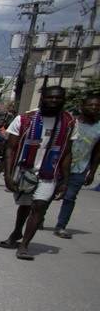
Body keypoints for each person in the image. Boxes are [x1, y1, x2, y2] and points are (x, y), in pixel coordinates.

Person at [0, 86, 75, 261]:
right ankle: (17, 233)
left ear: (64, 100)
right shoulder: (25, 120)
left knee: (39, 207)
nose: (54, 101)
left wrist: (65, 181)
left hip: (49, 173)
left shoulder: (69, 123)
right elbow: (10, 150)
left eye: (58, 98)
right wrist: (8, 175)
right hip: (25, 170)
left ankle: (24, 245)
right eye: (50, 97)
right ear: (43, 99)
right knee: (25, 205)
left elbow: (67, 153)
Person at [53, 92, 100, 238]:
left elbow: (98, 152)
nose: (93, 107)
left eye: (97, 106)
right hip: (58, 165)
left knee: (70, 197)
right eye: (90, 105)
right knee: (49, 194)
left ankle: (61, 226)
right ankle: (39, 217)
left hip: (80, 168)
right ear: (82, 106)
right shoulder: (71, 122)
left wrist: (92, 172)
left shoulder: (99, 128)